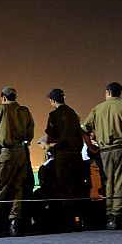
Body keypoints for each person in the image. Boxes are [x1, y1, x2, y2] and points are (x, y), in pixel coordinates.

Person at [83, 82, 122, 230]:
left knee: (108, 182)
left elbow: (84, 129)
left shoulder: (98, 108)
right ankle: (117, 215)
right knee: (121, 182)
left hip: (104, 151)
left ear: (108, 92)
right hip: (121, 149)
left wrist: (90, 147)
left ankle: (109, 213)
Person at [0, 86, 34, 238]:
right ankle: (14, 224)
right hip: (21, 153)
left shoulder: (2, 109)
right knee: (17, 188)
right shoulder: (25, 111)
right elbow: (30, 133)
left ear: (3, 97)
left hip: (7, 152)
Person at [45, 88, 85, 231]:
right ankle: (80, 219)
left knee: (64, 187)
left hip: (62, 155)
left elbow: (51, 136)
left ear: (53, 100)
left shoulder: (54, 115)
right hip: (77, 156)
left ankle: (68, 221)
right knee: (77, 186)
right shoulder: (73, 113)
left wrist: (49, 146)